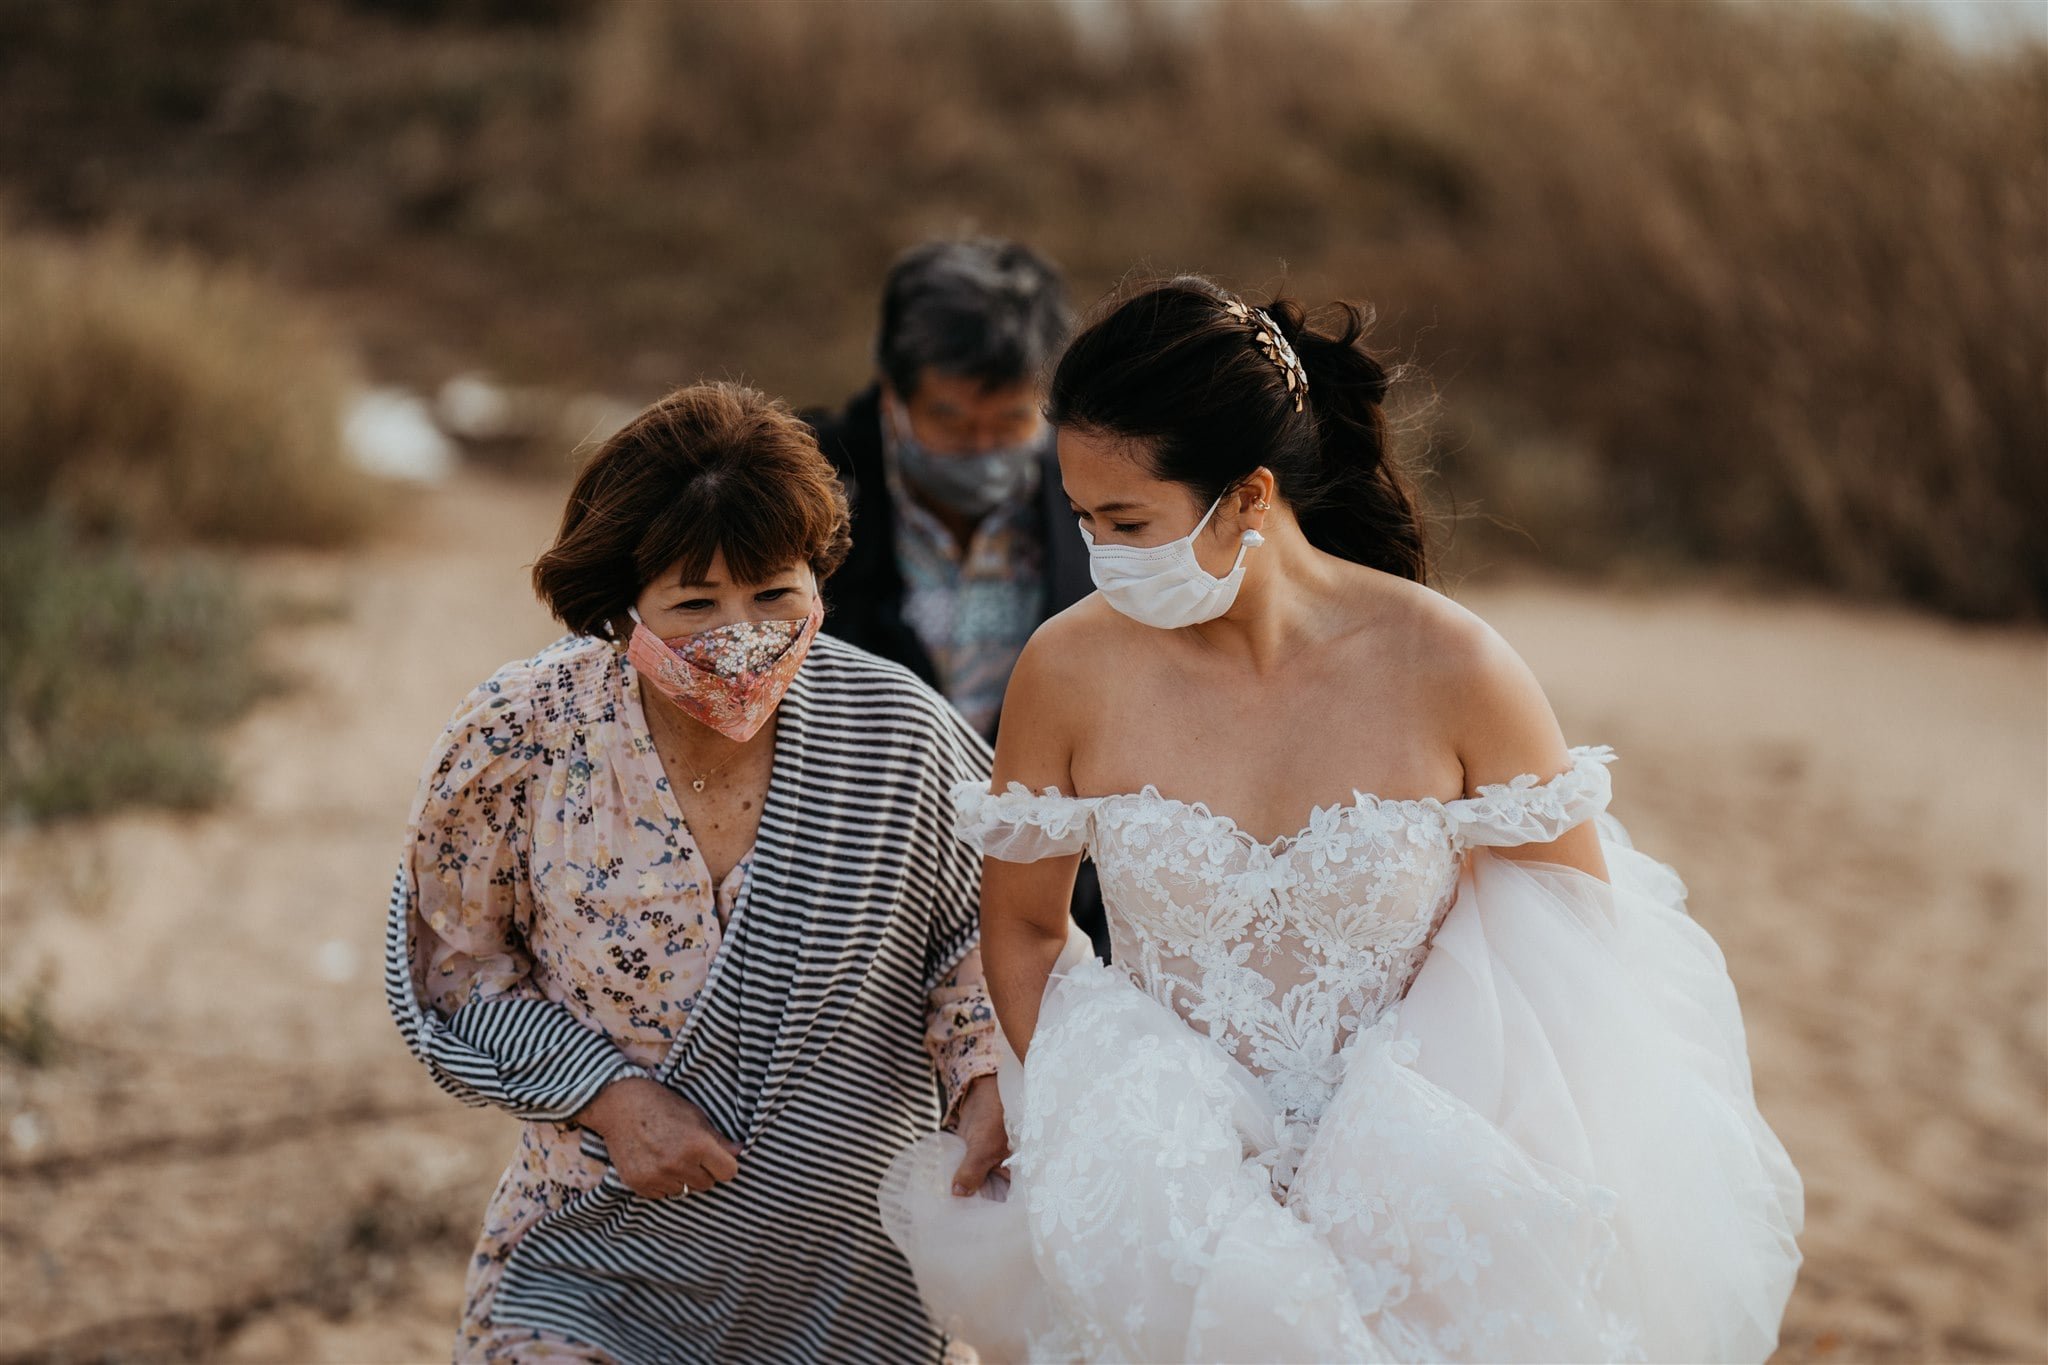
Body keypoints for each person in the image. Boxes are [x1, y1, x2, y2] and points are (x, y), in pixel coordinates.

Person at [879, 278, 1805, 1363]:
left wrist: (1397, 1158)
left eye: (1127, 523)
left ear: (1249, 495)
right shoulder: (1067, 670)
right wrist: (1109, 1109)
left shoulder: (1450, 665)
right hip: (1164, 1198)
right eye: (1081, 519)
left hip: (1412, 1196)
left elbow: (1567, 959)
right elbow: (1029, 929)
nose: (1099, 554)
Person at [384, 383, 1009, 1364]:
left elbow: (976, 944)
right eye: (694, 603)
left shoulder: (898, 738)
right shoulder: (521, 733)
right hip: (602, 1252)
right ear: (618, 605)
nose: (742, 635)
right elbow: (453, 971)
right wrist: (611, 1098)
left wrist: (982, 1082)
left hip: (848, 1278)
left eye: (773, 594)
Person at [804, 238, 1107, 960]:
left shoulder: (1103, 502)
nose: (980, 448)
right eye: (950, 419)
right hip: (847, 894)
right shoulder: (806, 484)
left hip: (1061, 904)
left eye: (1009, 423)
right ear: (892, 393)